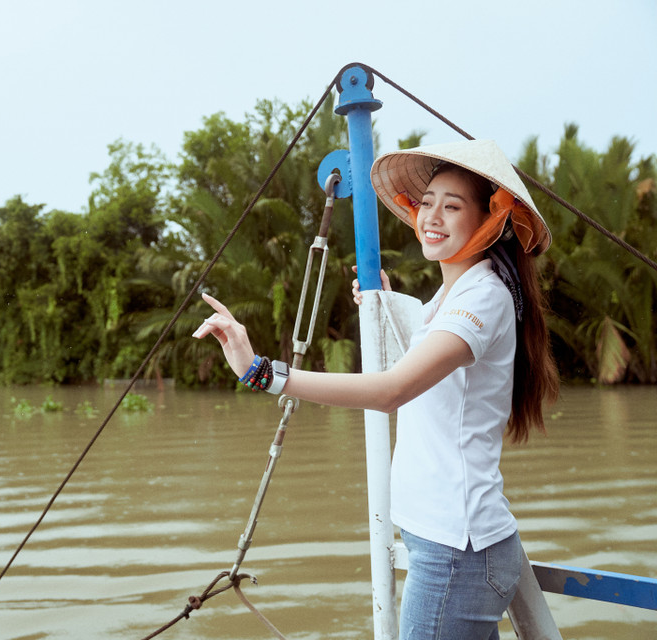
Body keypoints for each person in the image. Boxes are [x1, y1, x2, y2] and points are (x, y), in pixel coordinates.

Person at [192, 139, 559, 640]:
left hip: (457, 551)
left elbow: (392, 390)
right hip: (450, 545)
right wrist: (385, 302)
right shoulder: (456, 293)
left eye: (453, 207)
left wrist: (261, 371)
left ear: (490, 221)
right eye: (427, 202)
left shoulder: (485, 295)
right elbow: (431, 348)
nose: (432, 215)